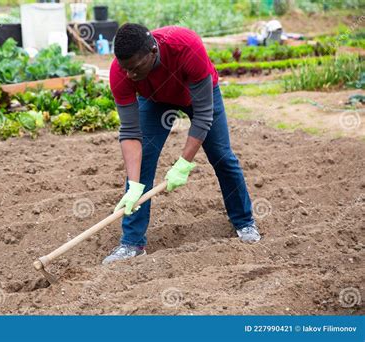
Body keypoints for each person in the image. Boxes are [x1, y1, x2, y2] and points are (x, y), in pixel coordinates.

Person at [103, 23, 261, 265]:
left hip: (197, 95)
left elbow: (204, 116)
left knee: (221, 156)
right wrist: (134, 185)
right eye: (125, 69)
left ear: (152, 52)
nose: (129, 75)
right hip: (155, 99)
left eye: (135, 68)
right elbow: (130, 132)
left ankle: (245, 222)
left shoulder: (186, 46)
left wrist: (184, 163)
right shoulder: (121, 72)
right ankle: (132, 243)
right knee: (143, 162)